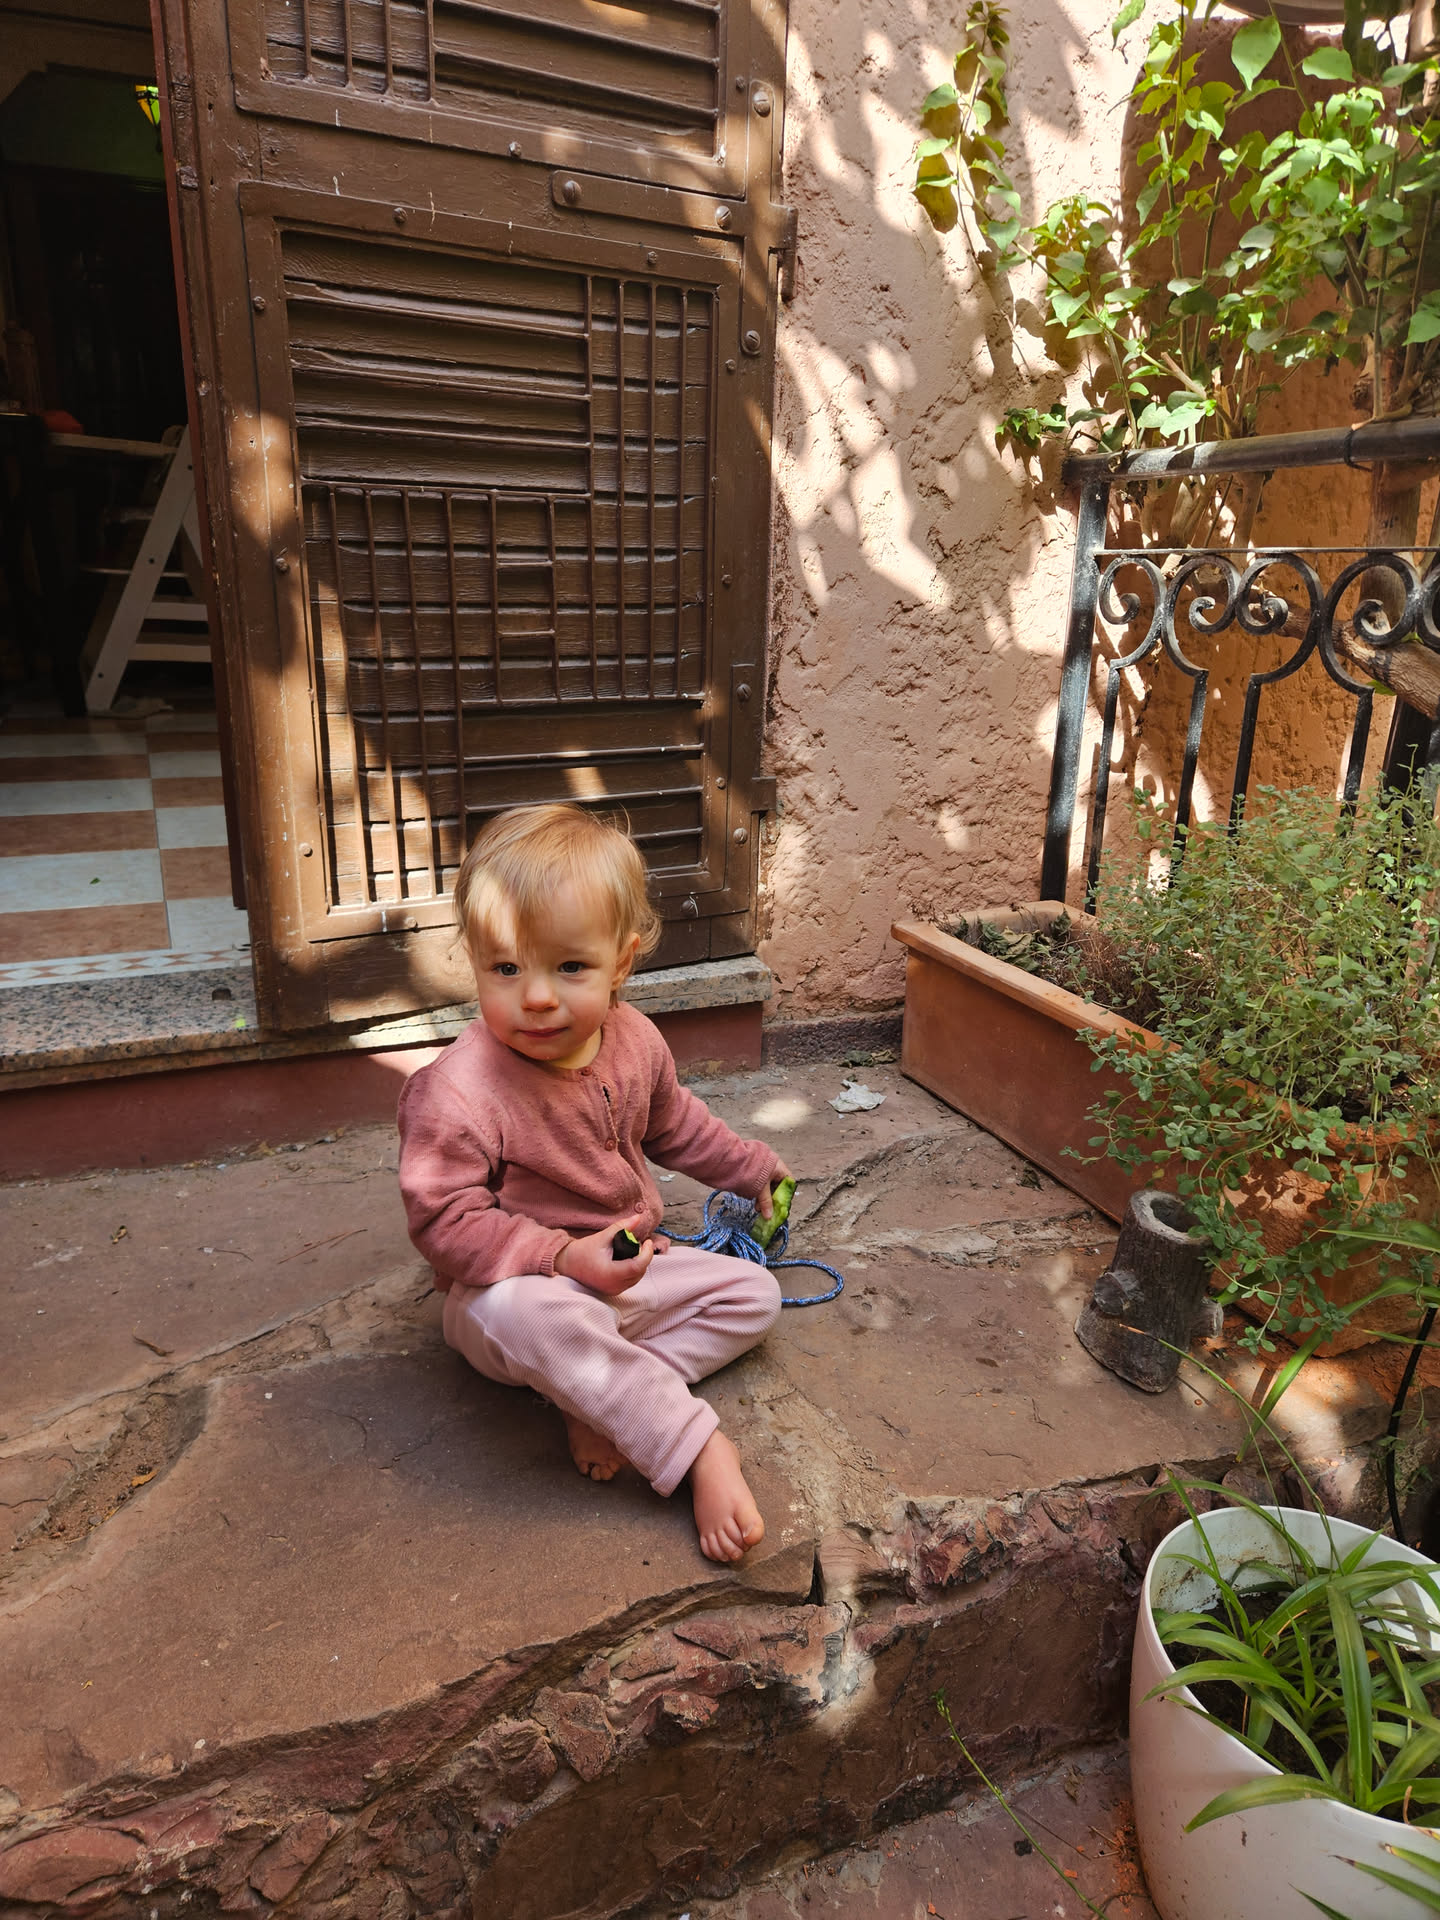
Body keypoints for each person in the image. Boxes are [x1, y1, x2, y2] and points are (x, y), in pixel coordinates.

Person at [398, 803, 792, 1563]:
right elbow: (443, 1223)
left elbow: (674, 1125)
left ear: (621, 962)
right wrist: (559, 1256)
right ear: (474, 961)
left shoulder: (635, 1039)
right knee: (525, 1315)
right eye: (506, 969)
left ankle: (596, 1396)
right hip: (519, 1294)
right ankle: (693, 1445)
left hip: (626, 1269)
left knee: (754, 1296)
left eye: (569, 967)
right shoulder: (456, 1092)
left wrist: (749, 1167)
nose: (537, 997)